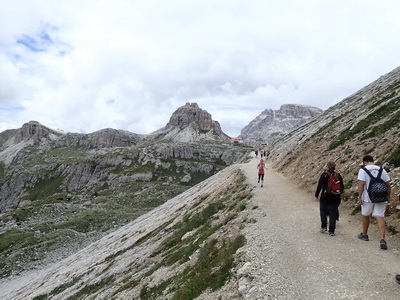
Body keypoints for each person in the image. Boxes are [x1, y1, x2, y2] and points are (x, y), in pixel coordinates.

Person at [357, 155, 391, 250]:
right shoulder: (382, 170)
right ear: (373, 161)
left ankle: (365, 234)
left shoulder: (363, 170)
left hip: (368, 198)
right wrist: (388, 197)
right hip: (381, 197)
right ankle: (382, 239)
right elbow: (388, 185)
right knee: (380, 216)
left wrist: (359, 197)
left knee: (365, 214)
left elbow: (361, 184)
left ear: (365, 162)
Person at [315, 161, 344, 236]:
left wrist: (316, 195)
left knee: (323, 211)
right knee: (333, 213)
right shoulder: (339, 176)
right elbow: (342, 188)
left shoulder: (324, 175)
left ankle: (324, 227)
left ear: (327, 167)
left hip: (325, 197)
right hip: (336, 198)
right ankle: (332, 231)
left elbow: (319, 186)